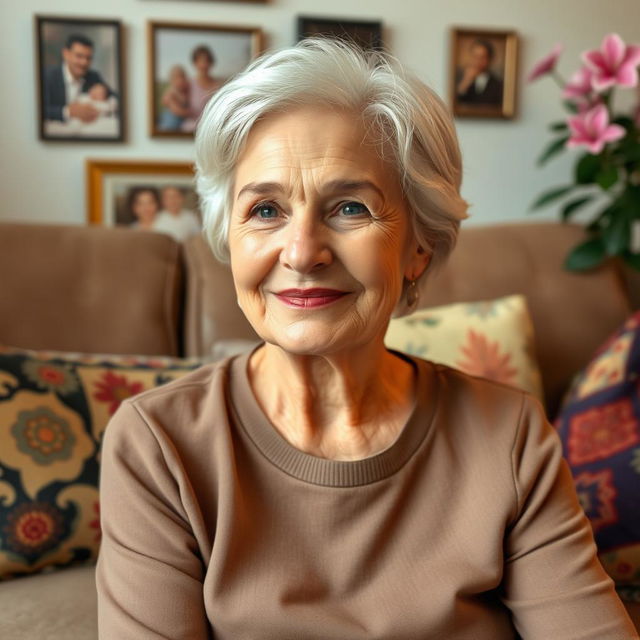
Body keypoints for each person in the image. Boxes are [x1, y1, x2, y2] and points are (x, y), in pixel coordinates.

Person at [96, 39, 638, 639]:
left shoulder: (508, 436)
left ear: (418, 249)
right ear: (230, 237)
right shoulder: (160, 444)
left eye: (350, 208)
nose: (302, 252)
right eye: (266, 211)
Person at [42, 34, 117, 124]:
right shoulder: (47, 76)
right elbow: (38, 109)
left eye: (88, 58)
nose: (84, 62)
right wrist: (68, 112)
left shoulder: (93, 76)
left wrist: (104, 91)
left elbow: (117, 97)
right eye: (79, 56)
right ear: (66, 54)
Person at [181, 45, 223, 133]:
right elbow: (168, 98)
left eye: (207, 61)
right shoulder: (188, 84)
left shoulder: (218, 85)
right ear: (195, 63)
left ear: (211, 62)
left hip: (212, 130)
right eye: (200, 61)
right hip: (191, 129)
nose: (204, 65)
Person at [456, 39, 504, 106]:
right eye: (475, 56)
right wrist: (465, 82)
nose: (478, 61)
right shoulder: (458, 78)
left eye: (482, 57)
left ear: (490, 59)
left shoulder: (498, 84)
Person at [158, 65, 191, 131]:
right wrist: (188, 113)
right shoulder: (171, 92)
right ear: (171, 80)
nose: (180, 80)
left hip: (180, 123)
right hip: (170, 123)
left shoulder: (185, 91)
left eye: (182, 77)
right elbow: (175, 109)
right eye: (176, 78)